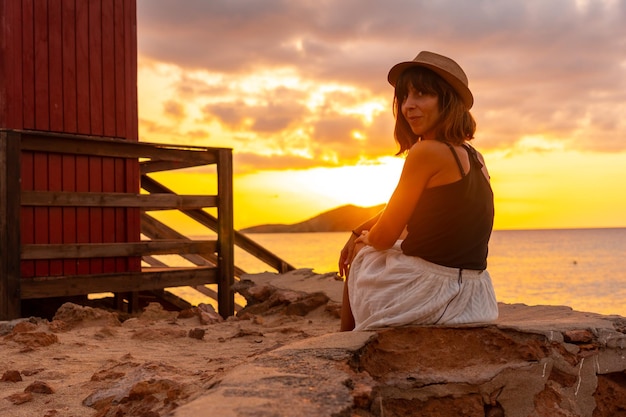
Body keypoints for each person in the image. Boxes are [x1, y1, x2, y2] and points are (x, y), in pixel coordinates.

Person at [338, 51, 498, 331]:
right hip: (476, 295)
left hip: (432, 293)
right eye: (404, 97)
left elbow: (385, 237)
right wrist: (359, 228)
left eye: (421, 95)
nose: (408, 106)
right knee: (365, 242)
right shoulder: (474, 156)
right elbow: (407, 207)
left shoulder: (425, 152)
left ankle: (345, 342)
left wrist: (361, 239)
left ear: (447, 101)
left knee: (363, 253)